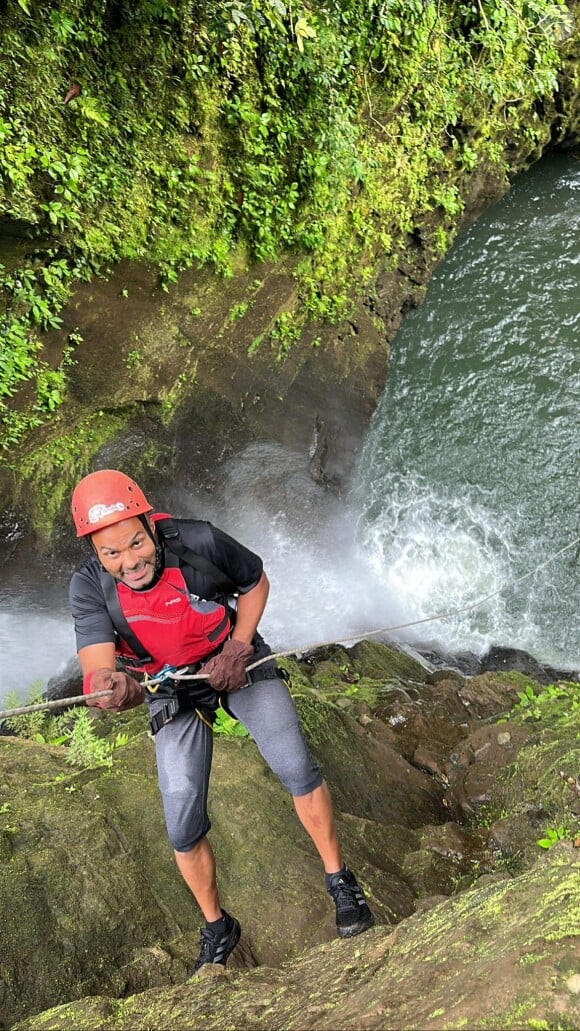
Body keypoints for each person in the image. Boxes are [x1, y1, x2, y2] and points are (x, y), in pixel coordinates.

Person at [69, 469, 374, 972]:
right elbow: (97, 666)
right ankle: (217, 927)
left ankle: (340, 880)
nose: (130, 562)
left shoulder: (198, 541)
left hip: (231, 662)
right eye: (112, 554)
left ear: (149, 523)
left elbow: (254, 582)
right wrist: (109, 688)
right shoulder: (90, 586)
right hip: (169, 685)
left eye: (136, 543)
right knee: (182, 823)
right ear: (95, 553)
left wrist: (238, 647)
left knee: (294, 764)